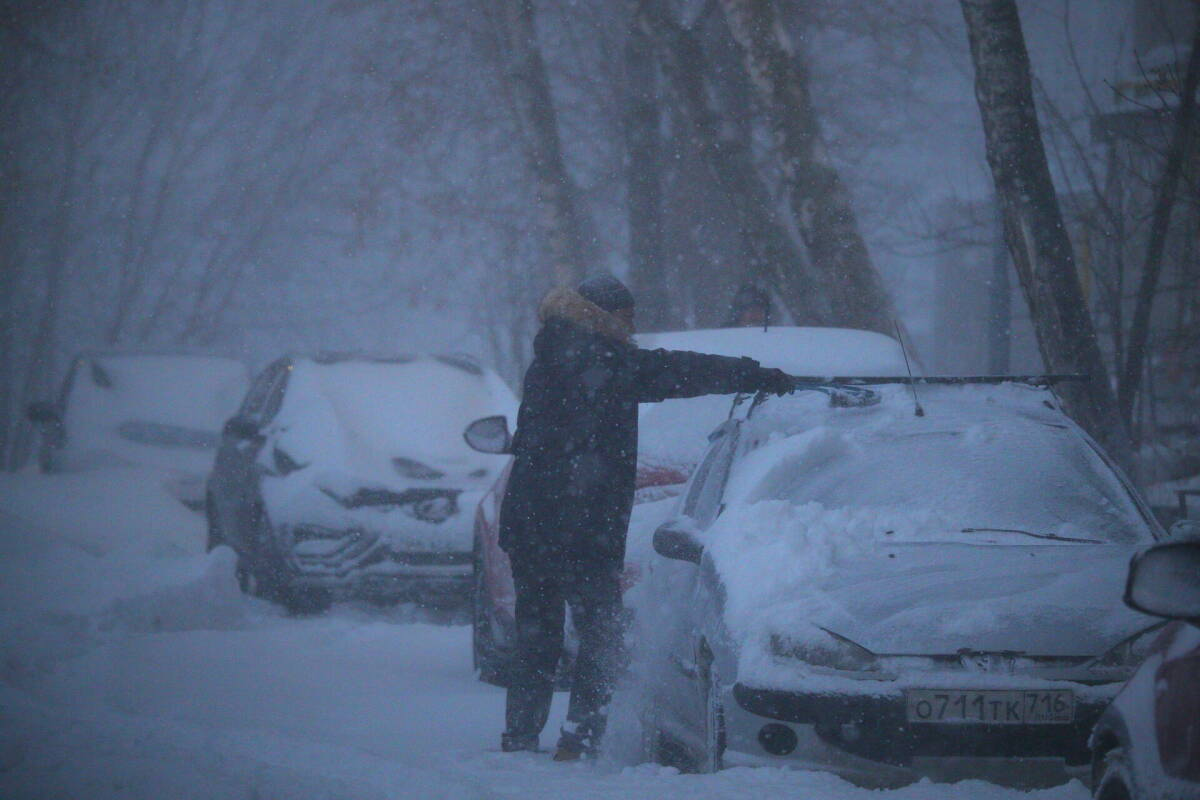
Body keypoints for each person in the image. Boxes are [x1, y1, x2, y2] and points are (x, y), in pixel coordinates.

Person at [499, 274, 793, 760]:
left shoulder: (557, 350)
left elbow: (658, 371)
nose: (633, 327)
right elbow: (673, 371)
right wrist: (750, 373)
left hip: (536, 522)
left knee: (538, 633)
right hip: (579, 526)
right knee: (600, 635)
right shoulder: (594, 357)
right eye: (628, 317)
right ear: (602, 315)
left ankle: (521, 736)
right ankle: (581, 739)